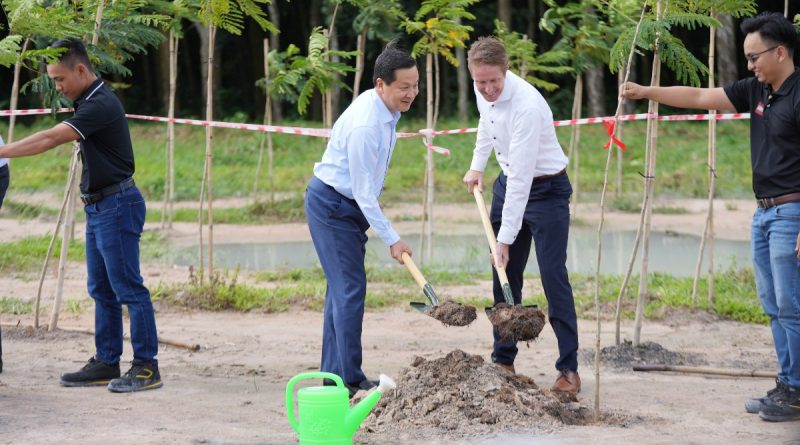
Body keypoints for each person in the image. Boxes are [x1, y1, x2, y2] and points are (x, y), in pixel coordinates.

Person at [621, 11, 800, 422]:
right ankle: (788, 384)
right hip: (764, 213)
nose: (750, 65)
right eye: (747, 58)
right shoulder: (757, 91)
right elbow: (701, 97)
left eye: (754, 57)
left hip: (792, 212)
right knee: (773, 305)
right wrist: (646, 92)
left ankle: (796, 390)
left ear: (780, 52)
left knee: (792, 306)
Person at [0, 38, 161, 393]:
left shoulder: (100, 103)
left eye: (60, 79)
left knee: (128, 287)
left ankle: (147, 366)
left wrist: (2, 150)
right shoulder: (87, 100)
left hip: (117, 205)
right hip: (99, 205)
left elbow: (48, 139)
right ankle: (107, 361)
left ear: (81, 70)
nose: (57, 87)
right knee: (101, 288)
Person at [462, 37, 580, 395]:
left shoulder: (527, 106)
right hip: (508, 184)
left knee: (553, 277)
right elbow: (487, 124)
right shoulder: (484, 90)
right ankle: (503, 360)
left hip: (545, 191)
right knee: (503, 275)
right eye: (480, 82)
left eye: (493, 81)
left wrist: (504, 239)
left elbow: (522, 179)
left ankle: (568, 369)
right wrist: (477, 166)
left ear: (507, 70)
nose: (487, 89)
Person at [305, 41, 418, 398]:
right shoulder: (366, 125)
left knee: (340, 293)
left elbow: (365, 186)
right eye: (404, 87)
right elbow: (362, 191)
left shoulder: (385, 109)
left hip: (348, 204)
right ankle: (351, 380)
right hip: (332, 207)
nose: (412, 93)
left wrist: (375, 212)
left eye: (415, 86)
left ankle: (333, 377)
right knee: (350, 291)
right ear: (381, 84)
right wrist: (393, 239)